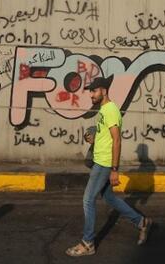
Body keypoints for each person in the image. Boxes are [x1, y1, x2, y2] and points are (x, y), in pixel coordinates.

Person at [65, 77, 152, 257]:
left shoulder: (111, 110)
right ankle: (142, 222)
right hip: (100, 160)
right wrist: (94, 139)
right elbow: (106, 136)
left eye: (94, 91)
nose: (91, 94)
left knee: (88, 200)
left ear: (104, 91)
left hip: (105, 164)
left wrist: (114, 169)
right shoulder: (103, 109)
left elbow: (117, 140)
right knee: (110, 198)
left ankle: (88, 243)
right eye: (90, 91)